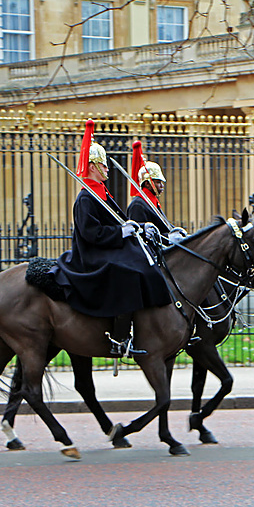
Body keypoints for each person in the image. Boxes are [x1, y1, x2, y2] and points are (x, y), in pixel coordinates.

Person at [50, 120, 171, 357]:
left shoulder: (102, 193)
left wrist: (136, 226)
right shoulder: (86, 197)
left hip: (106, 248)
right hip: (91, 255)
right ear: (93, 167)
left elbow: (120, 220)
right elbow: (90, 233)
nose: (107, 169)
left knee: (142, 264)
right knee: (127, 272)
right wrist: (120, 233)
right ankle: (119, 337)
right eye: (103, 165)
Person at [127, 140, 172, 236]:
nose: (162, 186)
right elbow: (142, 236)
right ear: (147, 184)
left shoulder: (152, 202)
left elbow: (163, 226)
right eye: (158, 182)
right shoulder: (138, 204)